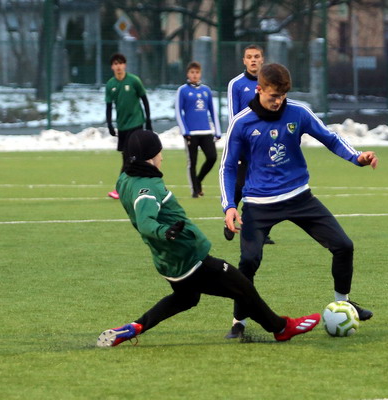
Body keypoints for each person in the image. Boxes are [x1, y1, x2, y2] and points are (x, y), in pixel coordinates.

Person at [96, 130, 320, 347]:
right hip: (188, 257)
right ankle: (281, 328)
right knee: (243, 287)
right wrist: (165, 231)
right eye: (159, 152)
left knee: (186, 298)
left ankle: (136, 327)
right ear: (150, 156)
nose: (162, 157)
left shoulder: (125, 179)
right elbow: (146, 222)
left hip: (166, 260)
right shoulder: (147, 187)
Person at [219, 63, 378, 339]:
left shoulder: (298, 112)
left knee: (343, 246)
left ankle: (343, 303)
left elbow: (330, 138)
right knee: (249, 261)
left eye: (282, 96)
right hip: (259, 203)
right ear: (259, 90)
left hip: (299, 197)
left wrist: (357, 157)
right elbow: (228, 167)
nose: (278, 102)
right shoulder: (242, 122)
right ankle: (239, 321)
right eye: (273, 96)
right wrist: (229, 206)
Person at [224, 44, 274, 244]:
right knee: (241, 185)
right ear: (244, 61)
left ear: (262, 59)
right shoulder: (236, 84)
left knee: (266, 186)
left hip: (266, 143)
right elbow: (233, 116)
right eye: (249, 57)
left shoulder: (270, 82)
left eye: (257, 56)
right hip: (245, 143)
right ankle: (230, 215)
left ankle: (259, 230)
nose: (253, 60)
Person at [105, 53, 152, 200]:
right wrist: (110, 124)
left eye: (121, 63)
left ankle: (120, 189)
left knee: (131, 157)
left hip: (136, 123)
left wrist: (148, 120)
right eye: (115, 64)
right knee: (128, 158)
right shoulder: (110, 85)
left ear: (125, 65)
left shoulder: (134, 80)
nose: (118, 66)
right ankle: (138, 185)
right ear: (112, 67)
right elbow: (108, 106)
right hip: (122, 126)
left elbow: (144, 100)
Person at [175, 61, 221, 198]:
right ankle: (195, 191)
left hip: (206, 132)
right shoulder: (182, 90)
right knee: (192, 162)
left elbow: (213, 111)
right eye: (192, 72)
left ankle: (198, 180)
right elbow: (178, 112)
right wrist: (185, 131)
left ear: (200, 74)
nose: (195, 75)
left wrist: (217, 131)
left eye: (197, 72)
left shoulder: (206, 90)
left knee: (212, 157)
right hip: (191, 133)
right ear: (188, 74)